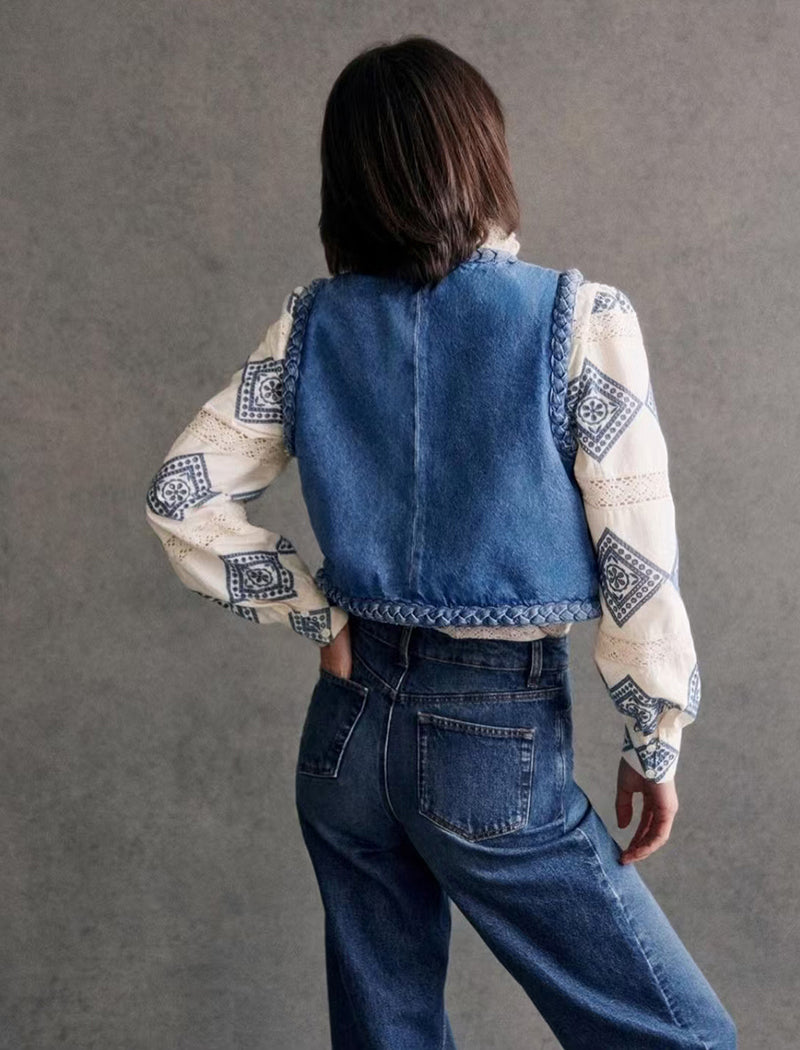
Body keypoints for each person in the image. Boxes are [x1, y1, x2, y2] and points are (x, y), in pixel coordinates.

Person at [145, 33, 737, 1050]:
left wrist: (311, 611)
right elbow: (636, 560)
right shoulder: (577, 319)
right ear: (480, 155)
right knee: (679, 1038)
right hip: (490, 745)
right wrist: (651, 740)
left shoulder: (311, 326)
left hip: (342, 736)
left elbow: (179, 495)